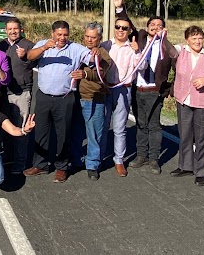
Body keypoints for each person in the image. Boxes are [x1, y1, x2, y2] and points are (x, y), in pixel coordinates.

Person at [115, 0, 178, 174]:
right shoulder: (140, 37)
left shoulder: (167, 46)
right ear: (148, 27)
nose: (155, 27)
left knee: (154, 125)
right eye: (153, 25)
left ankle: (154, 159)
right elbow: (127, 24)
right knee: (141, 124)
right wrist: (120, 8)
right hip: (138, 89)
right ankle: (141, 155)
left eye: (159, 25)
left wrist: (172, 88)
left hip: (155, 91)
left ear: (164, 29)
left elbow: (179, 67)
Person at [23, 21, 92, 183]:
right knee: (41, 132)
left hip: (64, 98)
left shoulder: (75, 49)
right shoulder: (42, 44)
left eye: (65, 35)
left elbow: (94, 61)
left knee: (63, 134)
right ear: (52, 33)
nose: (62, 38)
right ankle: (40, 164)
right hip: (44, 97)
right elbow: (29, 56)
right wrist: (44, 48)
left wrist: (90, 62)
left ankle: (62, 167)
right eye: (59, 34)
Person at [170, 26, 204, 186]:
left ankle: (201, 171)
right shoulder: (182, 51)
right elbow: (169, 50)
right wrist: (162, 35)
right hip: (184, 100)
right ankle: (185, 166)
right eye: (194, 38)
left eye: (200, 38)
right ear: (187, 40)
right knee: (185, 134)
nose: (197, 41)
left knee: (201, 138)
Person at [99, 11, 139, 177]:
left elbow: (141, 68)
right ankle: (98, 158)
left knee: (120, 127)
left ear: (129, 31)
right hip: (106, 88)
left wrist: (137, 52)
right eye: (118, 27)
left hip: (124, 89)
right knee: (102, 125)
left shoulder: (133, 48)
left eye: (124, 28)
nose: (121, 30)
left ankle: (119, 160)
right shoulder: (105, 46)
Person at [0, 17, 35, 175]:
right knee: (6, 128)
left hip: (21, 92)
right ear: (5, 30)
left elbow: (38, 63)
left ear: (21, 29)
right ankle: (9, 157)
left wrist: (26, 57)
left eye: (15, 28)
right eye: (10, 29)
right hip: (3, 92)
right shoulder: (1, 45)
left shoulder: (28, 45)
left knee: (21, 128)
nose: (13, 31)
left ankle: (20, 162)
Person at [74, 22, 111, 181]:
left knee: (94, 133)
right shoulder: (77, 50)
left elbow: (102, 74)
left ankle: (93, 164)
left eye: (93, 37)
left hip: (92, 98)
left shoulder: (103, 54)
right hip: (74, 97)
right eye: (87, 36)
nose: (89, 40)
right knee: (75, 133)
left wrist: (86, 75)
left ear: (100, 38)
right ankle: (75, 159)